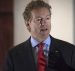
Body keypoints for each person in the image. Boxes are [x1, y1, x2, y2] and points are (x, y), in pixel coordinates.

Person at [4, 0, 75, 71]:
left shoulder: (70, 50)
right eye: (39, 19)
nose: (44, 23)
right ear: (28, 24)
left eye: (47, 18)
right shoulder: (13, 55)